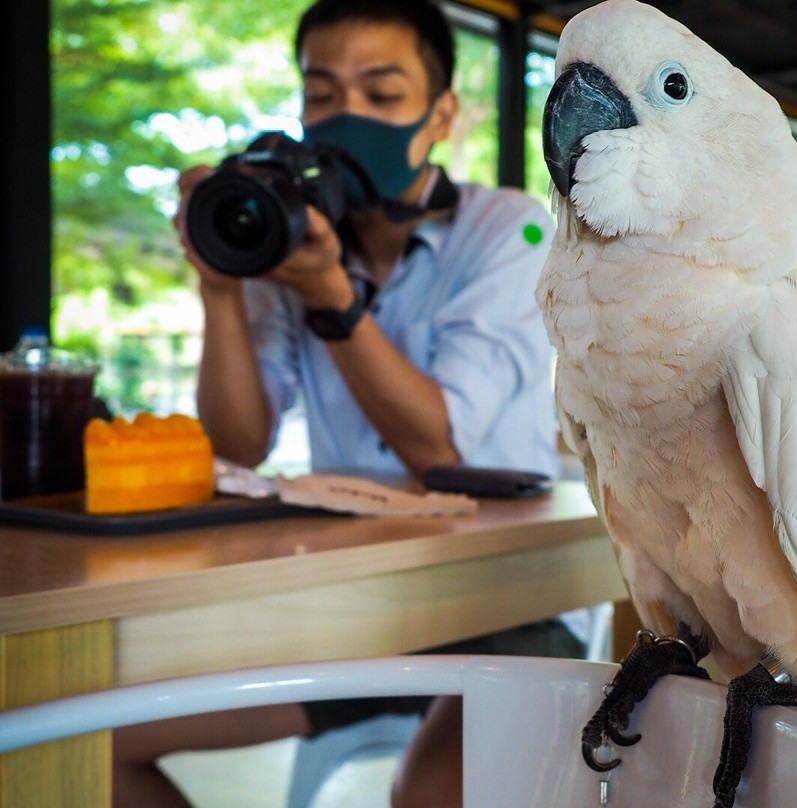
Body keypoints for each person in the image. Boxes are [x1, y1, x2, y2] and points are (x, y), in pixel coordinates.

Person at [112, 2, 586, 806]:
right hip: (353, 609)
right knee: (94, 742)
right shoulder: (291, 237)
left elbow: (443, 451)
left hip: (509, 607)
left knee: (428, 792)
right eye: (323, 95)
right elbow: (239, 442)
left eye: (381, 93)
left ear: (440, 115)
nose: (347, 119)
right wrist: (222, 288)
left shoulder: (510, 231)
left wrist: (331, 296)